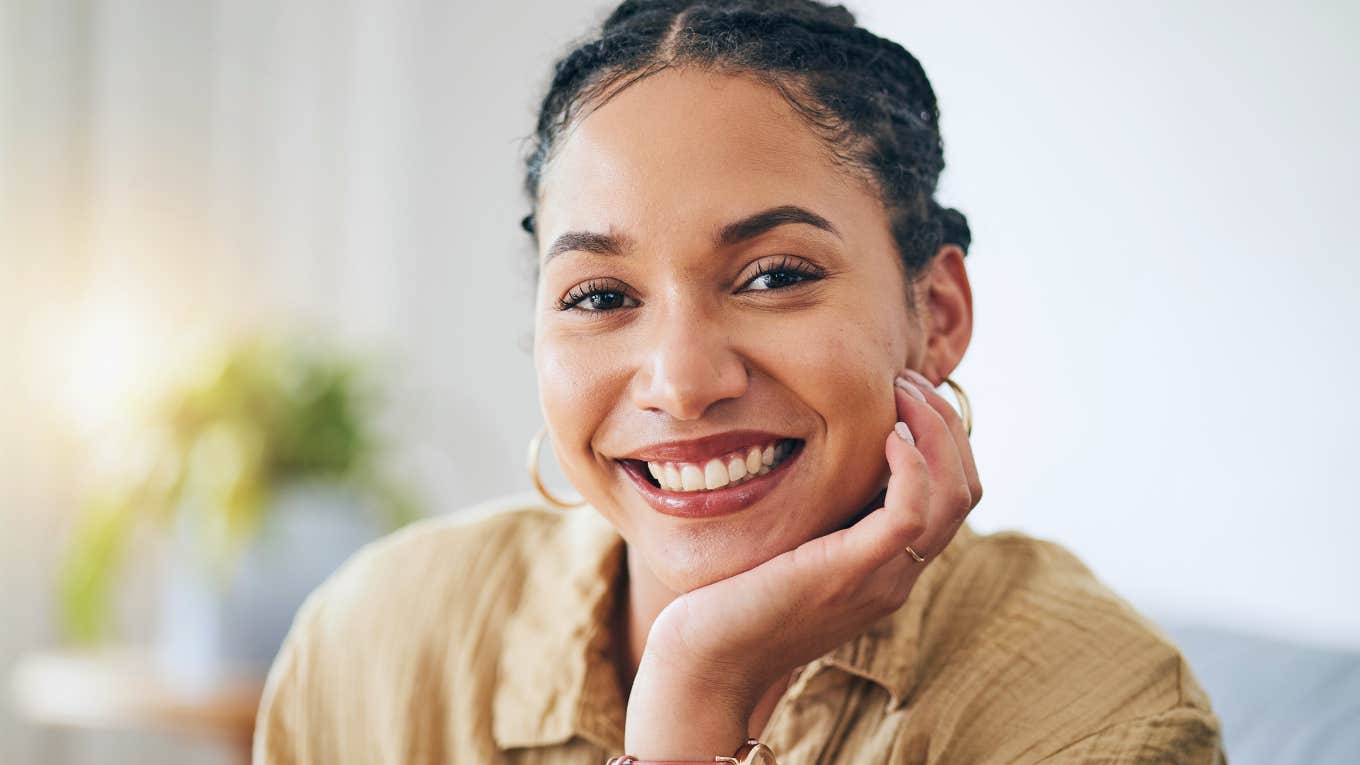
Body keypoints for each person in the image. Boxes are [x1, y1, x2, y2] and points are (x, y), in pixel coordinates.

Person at [253, 1, 1226, 762]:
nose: (681, 381)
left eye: (774, 277)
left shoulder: (1097, 712)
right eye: (597, 295)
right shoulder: (376, 640)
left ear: (936, 316)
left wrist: (693, 695)